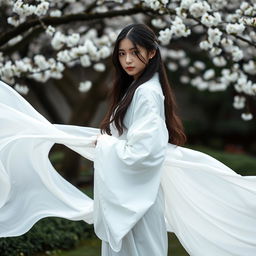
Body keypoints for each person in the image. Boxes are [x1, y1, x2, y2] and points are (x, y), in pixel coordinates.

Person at [0, 23, 256, 256]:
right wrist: (105, 143)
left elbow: (145, 152)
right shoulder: (137, 90)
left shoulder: (146, 94)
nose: (128, 60)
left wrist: (105, 145)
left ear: (152, 52)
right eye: (122, 54)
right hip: (133, 195)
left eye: (134, 52)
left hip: (138, 201)